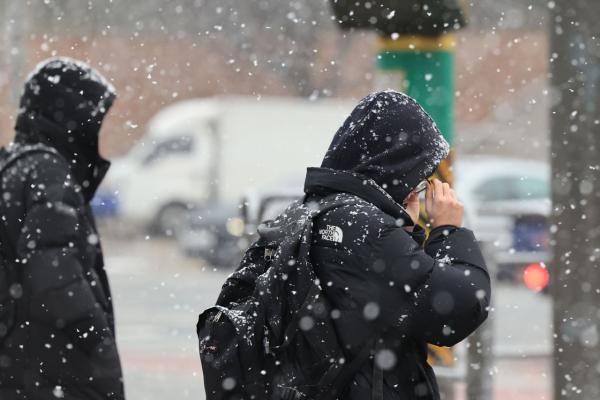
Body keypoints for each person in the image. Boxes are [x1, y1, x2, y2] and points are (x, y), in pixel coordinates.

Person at [304, 90, 491, 399]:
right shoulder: (366, 232)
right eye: (416, 182)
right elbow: (460, 308)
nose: (416, 193)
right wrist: (447, 231)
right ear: (394, 173)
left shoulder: (316, 214)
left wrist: (404, 227)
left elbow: (392, 285)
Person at [0, 58, 124, 400]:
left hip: (19, 367)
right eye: (93, 122)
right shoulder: (48, 171)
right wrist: (96, 341)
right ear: (71, 120)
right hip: (52, 372)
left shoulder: (12, 165)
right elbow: (53, 274)